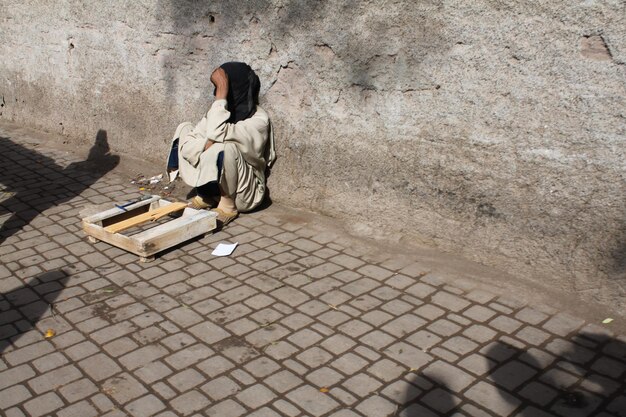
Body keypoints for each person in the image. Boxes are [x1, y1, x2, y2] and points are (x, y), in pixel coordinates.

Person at [166, 62, 275, 227]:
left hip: (244, 193)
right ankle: (206, 195)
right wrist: (206, 143)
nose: (216, 94)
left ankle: (227, 205)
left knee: (223, 146)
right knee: (185, 130)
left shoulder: (259, 121)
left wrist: (221, 97)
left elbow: (217, 132)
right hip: (216, 182)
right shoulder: (218, 114)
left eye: (222, 88)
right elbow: (189, 146)